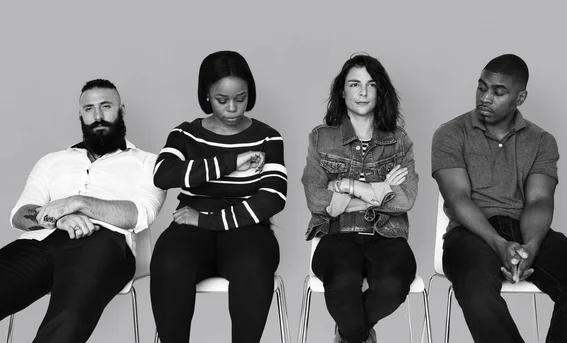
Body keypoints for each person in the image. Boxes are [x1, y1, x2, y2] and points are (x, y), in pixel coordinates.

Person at [431, 54, 567, 343]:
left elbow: (539, 201)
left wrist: (531, 245)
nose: (485, 97)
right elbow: (458, 198)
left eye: (498, 92)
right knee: (475, 287)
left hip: (523, 228)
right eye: (481, 87)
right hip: (470, 233)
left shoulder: (542, 141)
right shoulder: (450, 134)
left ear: (520, 97)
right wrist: (499, 244)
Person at [0, 79, 166, 343]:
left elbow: (140, 213)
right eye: (89, 109)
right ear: (81, 115)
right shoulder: (52, 161)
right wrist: (60, 218)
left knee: (67, 317)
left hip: (104, 244)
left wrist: (79, 203)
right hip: (40, 243)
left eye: (106, 106)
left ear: (121, 110)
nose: (97, 116)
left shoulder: (148, 162)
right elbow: (21, 213)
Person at [150, 50, 287, 343]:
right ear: (206, 96)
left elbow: (273, 197)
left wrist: (208, 220)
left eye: (241, 97)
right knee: (169, 264)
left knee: (253, 267)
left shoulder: (268, 137)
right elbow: (163, 175)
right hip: (190, 228)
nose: (233, 108)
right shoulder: (186, 134)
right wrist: (231, 161)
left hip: (246, 226)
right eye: (221, 100)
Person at [301, 54, 418, 343]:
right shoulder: (321, 138)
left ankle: (349, 334)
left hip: (387, 235)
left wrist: (343, 188)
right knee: (343, 283)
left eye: (371, 84)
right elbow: (317, 200)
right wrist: (373, 190)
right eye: (355, 84)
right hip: (336, 233)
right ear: (342, 91)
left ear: (381, 91)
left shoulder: (399, 140)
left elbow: (405, 200)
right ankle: (360, 335)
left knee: (392, 286)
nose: (363, 92)